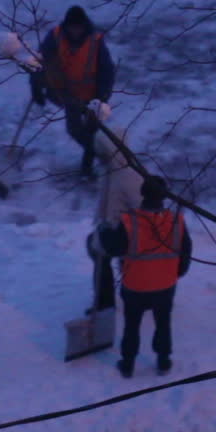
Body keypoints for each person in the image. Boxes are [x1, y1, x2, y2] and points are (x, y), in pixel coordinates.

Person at [98, 176, 192, 378]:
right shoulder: (176, 220)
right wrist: (177, 273)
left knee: (132, 325)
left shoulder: (131, 221)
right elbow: (186, 251)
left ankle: (128, 364)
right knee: (163, 323)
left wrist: (104, 230)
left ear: (142, 194)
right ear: (164, 196)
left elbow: (113, 248)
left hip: (135, 286)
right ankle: (163, 361)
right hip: (166, 285)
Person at [35, 6, 116, 177]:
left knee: (91, 130)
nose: (75, 31)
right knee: (74, 130)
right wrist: (36, 85)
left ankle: (87, 167)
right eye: (72, 27)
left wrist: (103, 96)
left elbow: (107, 69)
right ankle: (100, 152)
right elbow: (40, 61)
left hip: (92, 96)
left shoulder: (95, 40)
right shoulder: (55, 36)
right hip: (68, 95)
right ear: (67, 26)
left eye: (78, 27)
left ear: (84, 26)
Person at [86, 124, 142, 312]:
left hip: (131, 233)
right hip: (117, 229)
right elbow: (108, 203)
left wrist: (120, 225)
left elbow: (143, 209)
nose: (99, 156)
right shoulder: (112, 170)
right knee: (96, 247)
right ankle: (110, 298)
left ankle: (106, 301)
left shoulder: (128, 175)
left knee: (99, 250)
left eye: (102, 151)